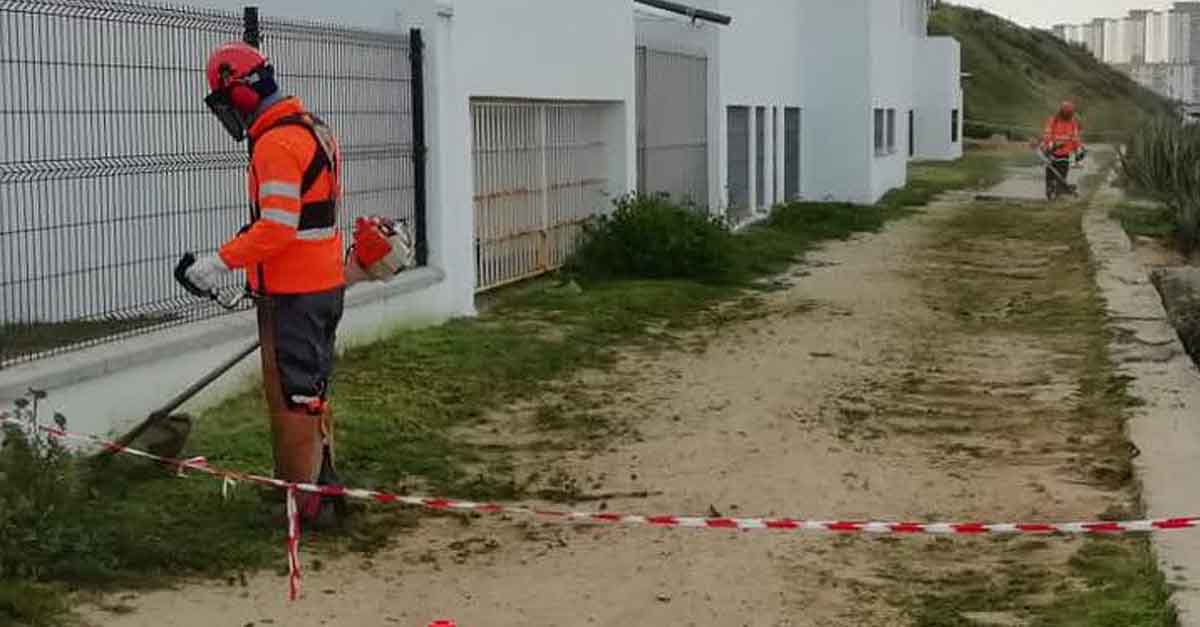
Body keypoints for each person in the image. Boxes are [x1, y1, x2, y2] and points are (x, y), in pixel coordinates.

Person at [182, 41, 348, 526]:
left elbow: (277, 226)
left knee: (298, 399)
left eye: (225, 99)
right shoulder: (313, 128)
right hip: (320, 282)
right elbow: (305, 216)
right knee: (309, 393)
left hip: (297, 289)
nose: (227, 111)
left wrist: (221, 261)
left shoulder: (276, 143)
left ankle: (307, 509)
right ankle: (319, 488)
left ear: (241, 90)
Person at [1040, 101, 1087, 198]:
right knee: (1050, 176)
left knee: (1062, 176)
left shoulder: (1073, 123)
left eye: (1069, 113)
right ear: (1061, 112)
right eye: (1066, 113)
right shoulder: (1053, 120)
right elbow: (1047, 135)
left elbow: (1075, 138)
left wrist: (1079, 151)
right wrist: (1050, 146)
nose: (1068, 115)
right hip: (1052, 152)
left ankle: (1059, 192)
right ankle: (1049, 190)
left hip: (1065, 154)